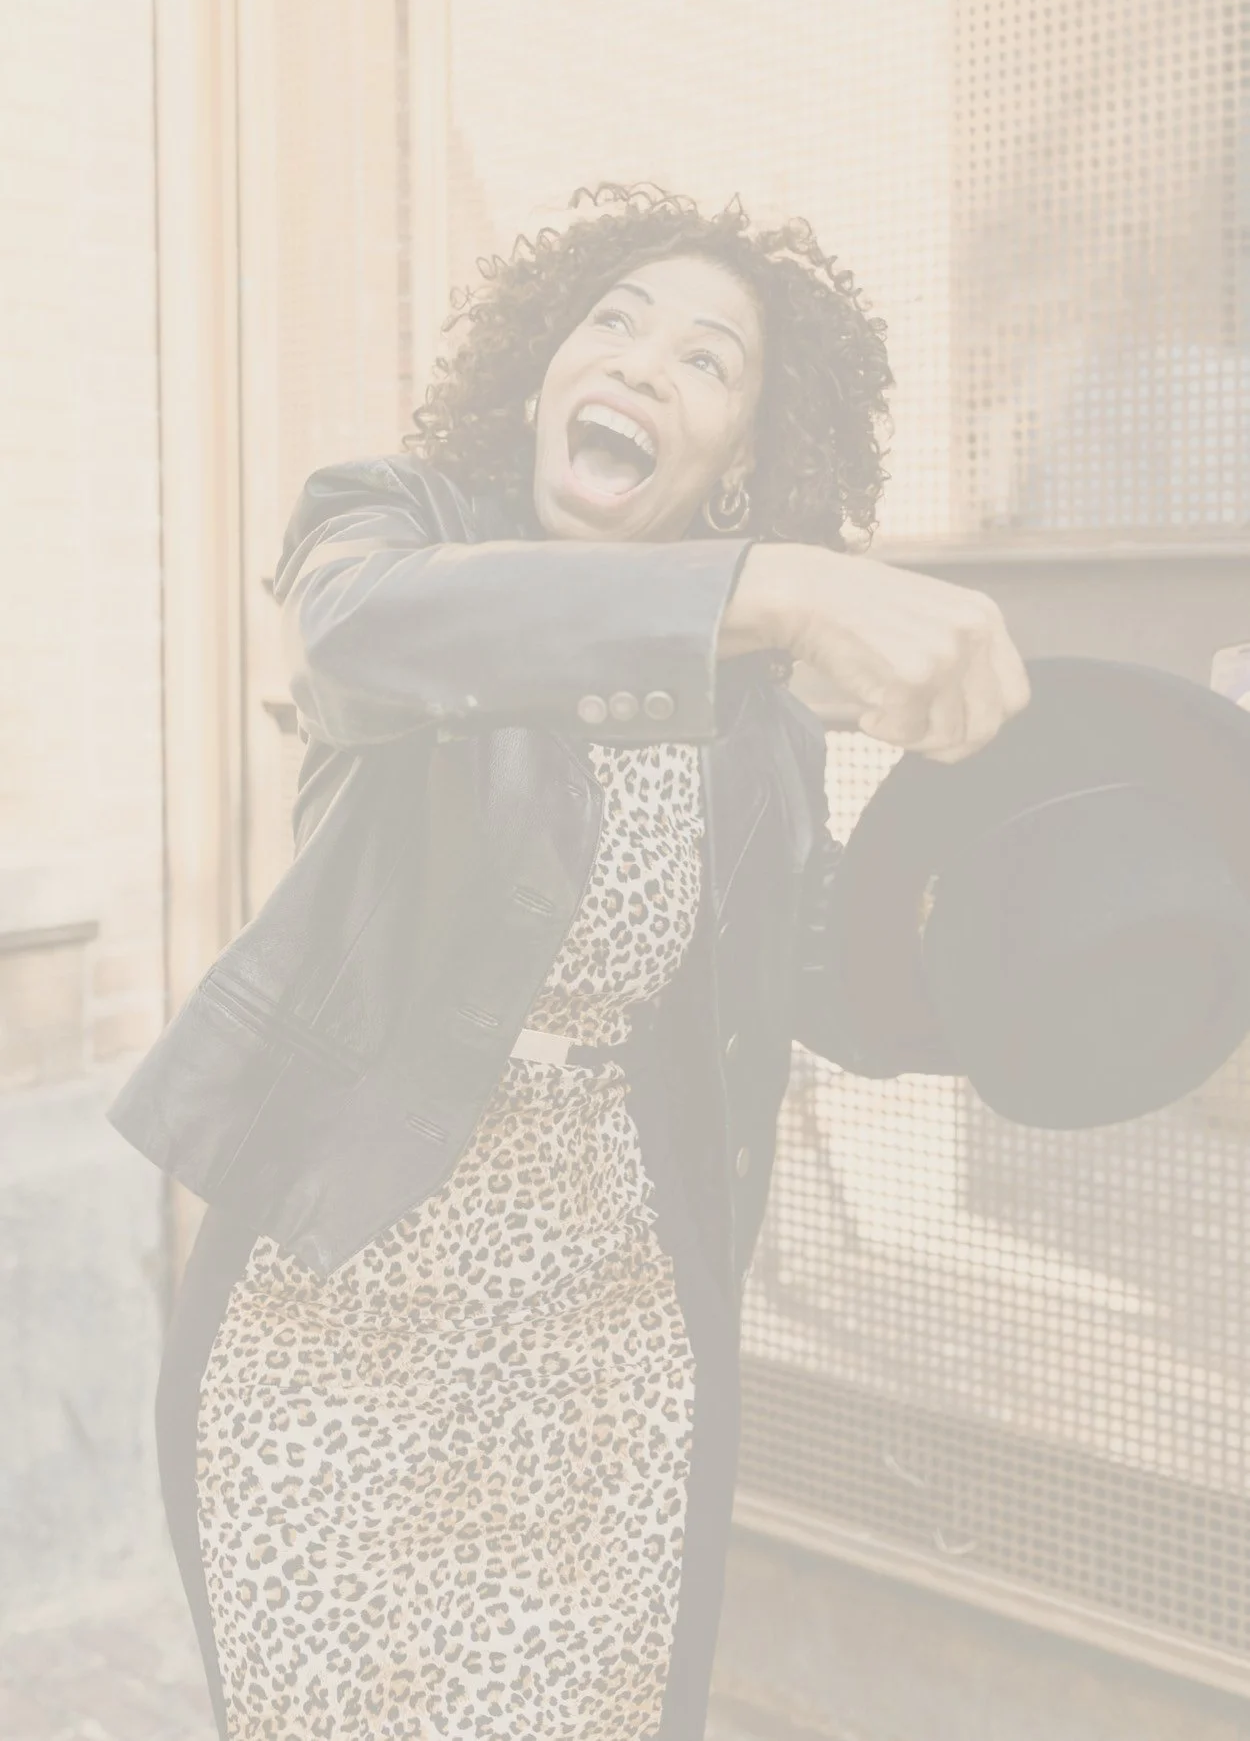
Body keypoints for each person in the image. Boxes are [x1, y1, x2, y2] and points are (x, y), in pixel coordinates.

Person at [150, 183, 1029, 1741]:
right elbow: (362, 643)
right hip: (336, 1321)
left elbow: (810, 971)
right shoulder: (390, 531)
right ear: (546, 371)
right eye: (611, 321)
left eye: (705, 361)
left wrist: (1052, 930)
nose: (637, 362)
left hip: (602, 1345)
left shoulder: (752, 708)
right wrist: (777, 590)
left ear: (739, 457)